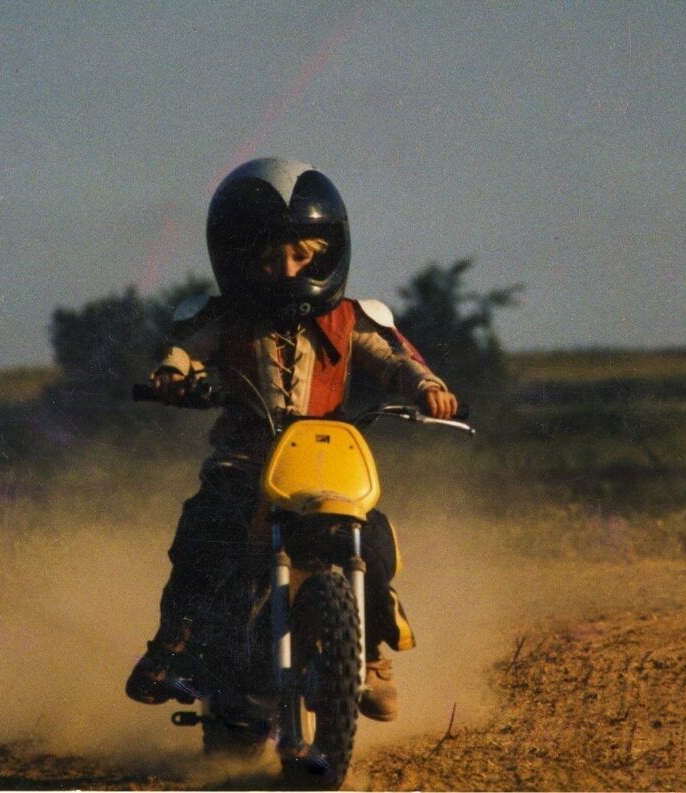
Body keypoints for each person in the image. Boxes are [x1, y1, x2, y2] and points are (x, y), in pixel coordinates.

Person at [125, 157, 458, 722]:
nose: (288, 268)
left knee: (372, 540)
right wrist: (174, 374)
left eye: (302, 254)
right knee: (204, 532)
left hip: (325, 468)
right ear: (241, 258)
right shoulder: (223, 316)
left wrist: (428, 385)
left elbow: (397, 362)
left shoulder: (352, 319)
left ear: (326, 251)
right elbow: (183, 346)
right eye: (271, 255)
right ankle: (174, 645)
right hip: (242, 465)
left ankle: (372, 655)